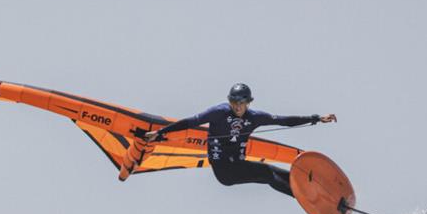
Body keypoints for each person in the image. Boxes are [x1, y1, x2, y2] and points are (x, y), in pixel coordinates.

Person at [144, 83, 336, 197]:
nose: (237, 107)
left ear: (248, 103)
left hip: (238, 165)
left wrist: (316, 118)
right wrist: (160, 133)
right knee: (268, 174)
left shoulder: (255, 117)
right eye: (234, 102)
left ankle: (316, 192)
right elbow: (190, 122)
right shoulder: (218, 112)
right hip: (224, 171)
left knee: (277, 172)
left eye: (241, 103)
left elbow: (284, 121)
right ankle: (304, 198)